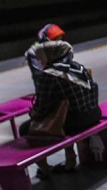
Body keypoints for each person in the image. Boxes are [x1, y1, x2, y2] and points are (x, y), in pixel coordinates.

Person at [21, 40, 101, 177]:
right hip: (94, 115)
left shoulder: (50, 74)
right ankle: (70, 161)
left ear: (50, 56)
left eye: (41, 58)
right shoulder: (78, 67)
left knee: (24, 129)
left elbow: (41, 108)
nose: (39, 62)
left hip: (76, 122)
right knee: (64, 118)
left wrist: (33, 113)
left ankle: (45, 169)